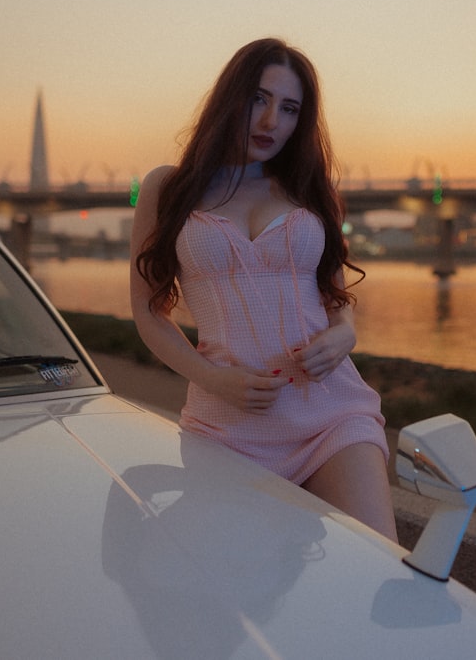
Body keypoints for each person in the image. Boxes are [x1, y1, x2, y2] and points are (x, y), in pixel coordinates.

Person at [130, 38, 398, 542]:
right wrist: (213, 379)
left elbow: (336, 302)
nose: (271, 120)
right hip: (228, 424)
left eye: (289, 108)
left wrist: (346, 335)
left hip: (330, 412)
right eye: (259, 98)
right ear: (229, 96)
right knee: (241, 595)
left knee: (376, 564)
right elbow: (148, 312)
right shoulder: (168, 188)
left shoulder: (310, 191)